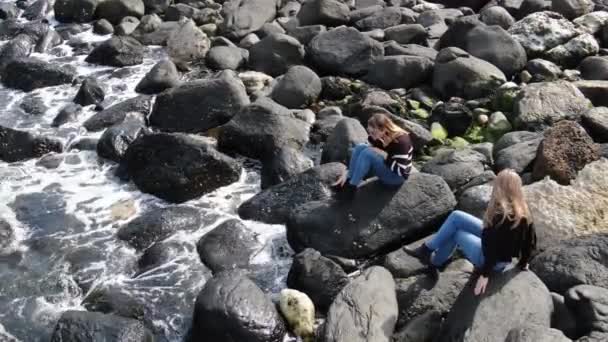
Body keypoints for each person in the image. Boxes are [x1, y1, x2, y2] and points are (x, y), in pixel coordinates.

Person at [406, 169, 537, 295]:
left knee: (456, 233)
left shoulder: (500, 216)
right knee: (456, 216)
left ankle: (434, 263)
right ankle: (427, 249)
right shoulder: (523, 209)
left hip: (490, 260)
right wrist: (523, 262)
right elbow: (530, 241)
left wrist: (485, 274)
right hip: (499, 253)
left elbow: (492, 249)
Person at [332, 113, 413, 200]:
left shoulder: (401, 142)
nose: (370, 135)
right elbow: (366, 148)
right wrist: (347, 172)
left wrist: (383, 154)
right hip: (388, 166)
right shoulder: (379, 136)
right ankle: (347, 180)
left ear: (383, 130)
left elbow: (401, 171)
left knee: (368, 153)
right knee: (360, 147)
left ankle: (351, 188)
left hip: (396, 178)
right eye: (369, 132)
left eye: (373, 132)